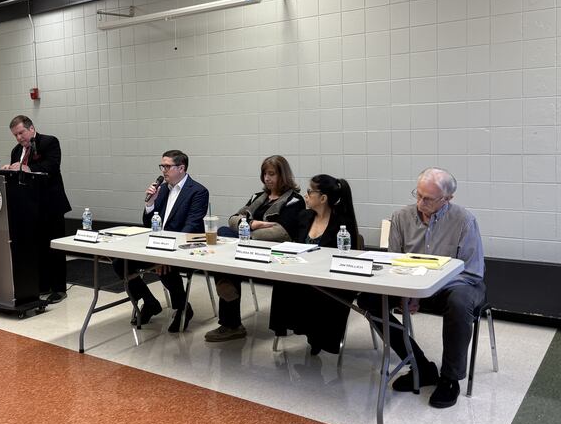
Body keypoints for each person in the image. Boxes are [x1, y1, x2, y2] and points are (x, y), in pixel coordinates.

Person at [357, 167, 485, 409]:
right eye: (418, 194)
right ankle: (420, 366)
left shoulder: (464, 220)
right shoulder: (400, 217)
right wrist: (408, 292)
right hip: (410, 284)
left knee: (459, 304)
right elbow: (393, 262)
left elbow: (470, 271)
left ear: (447, 198)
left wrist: (424, 288)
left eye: (428, 199)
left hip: (455, 284)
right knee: (369, 300)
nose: (420, 203)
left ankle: (450, 379)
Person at [205, 155, 305, 342]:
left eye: (272, 174)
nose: (267, 178)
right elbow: (233, 219)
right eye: (265, 174)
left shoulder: (294, 200)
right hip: (246, 248)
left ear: (282, 175)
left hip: (272, 254)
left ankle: (230, 322)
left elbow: (282, 232)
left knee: (227, 263)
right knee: (224, 232)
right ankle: (230, 314)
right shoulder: (258, 197)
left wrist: (247, 235)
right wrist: (253, 224)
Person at [113, 150, 209, 332]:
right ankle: (149, 302)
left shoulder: (198, 191)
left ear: (181, 168)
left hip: (183, 247)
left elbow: (191, 226)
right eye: (162, 166)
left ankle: (183, 308)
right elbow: (148, 224)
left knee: (166, 267)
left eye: (167, 166)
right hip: (157, 246)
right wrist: (150, 203)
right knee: (120, 262)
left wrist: (166, 253)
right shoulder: (162, 189)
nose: (163, 170)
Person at [268, 174, 360, 355]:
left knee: (316, 291)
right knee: (282, 283)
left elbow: (346, 257)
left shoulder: (342, 223)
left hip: (331, 279)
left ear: (323, 198)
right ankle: (291, 328)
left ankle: (317, 338)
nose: (306, 195)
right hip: (304, 272)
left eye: (310, 192)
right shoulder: (304, 216)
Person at [6, 115, 71, 304]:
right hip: (28, 207)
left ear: (31, 128)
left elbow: (52, 166)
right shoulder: (16, 151)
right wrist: (9, 171)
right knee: (37, 248)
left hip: (50, 205)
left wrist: (27, 168)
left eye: (21, 133)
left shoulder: (49, 142)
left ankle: (58, 288)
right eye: (15, 135)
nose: (19, 138)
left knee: (54, 248)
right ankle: (42, 284)